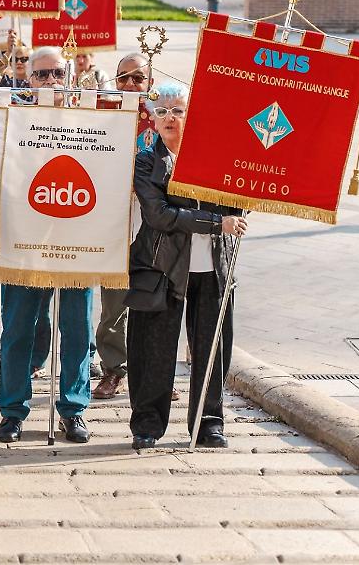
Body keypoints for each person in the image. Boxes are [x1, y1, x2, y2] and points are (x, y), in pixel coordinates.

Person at [126, 82, 247, 450]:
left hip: (213, 267)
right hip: (161, 266)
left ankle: (208, 423)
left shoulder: (215, 157)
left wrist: (245, 197)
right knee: (153, 347)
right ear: (151, 118)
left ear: (191, 115)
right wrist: (215, 222)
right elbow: (159, 215)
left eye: (177, 110)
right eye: (161, 111)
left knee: (213, 346)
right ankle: (147, 423)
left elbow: (235, 201)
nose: (169, 118)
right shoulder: (147, 160)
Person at [0, 46, 94, 444]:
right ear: (26, 80)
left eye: (56, 74)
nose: (50, 82)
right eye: (41, 75)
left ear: (69, 79)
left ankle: (73, 408)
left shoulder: (92, 120)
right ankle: (12, 410)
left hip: (77, 239)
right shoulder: (11, 121)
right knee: (18, 328)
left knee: (76, 328)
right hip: (24, 238)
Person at [92, 52, 163, 401]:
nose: (130, 85)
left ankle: (153, 371)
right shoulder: (101, 109)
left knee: (154, 297)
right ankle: (112, 369)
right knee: (114, 299)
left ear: (150, 82)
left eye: (138, 78)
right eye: (124, 78)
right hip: (114, 213)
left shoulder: (164, 113)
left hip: (153, 215)